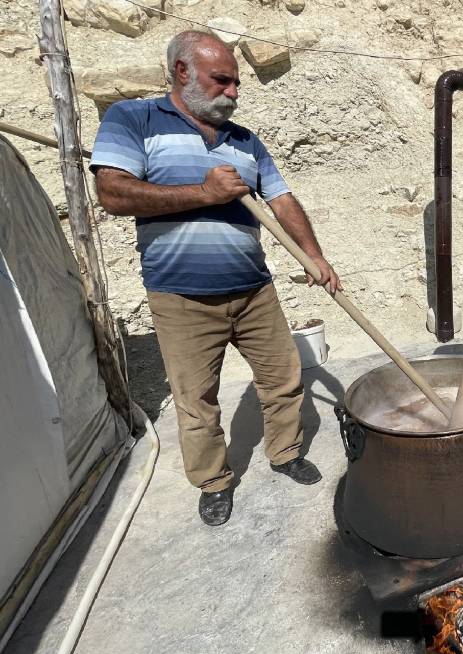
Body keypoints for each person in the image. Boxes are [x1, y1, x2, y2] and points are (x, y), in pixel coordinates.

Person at [90, 30, 341, 526]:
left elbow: (281, 200)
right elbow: (113, 194)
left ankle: (285, 452)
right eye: (222, 81)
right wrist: (204, 193)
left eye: (236, 83)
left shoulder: (245, 141)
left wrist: (314, 255)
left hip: (254, 289)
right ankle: (214, 481)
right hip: (182, 297)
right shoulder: (133, 119)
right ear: (183, 72)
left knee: (284, 377)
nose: (233, 92)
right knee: (197, 401)